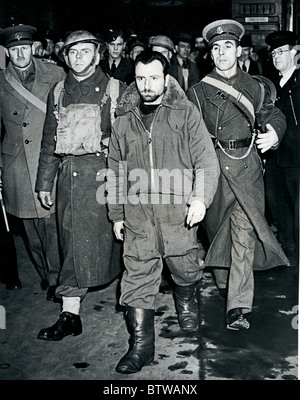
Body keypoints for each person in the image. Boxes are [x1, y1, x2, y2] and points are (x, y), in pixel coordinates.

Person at [107, 49, 220, 374]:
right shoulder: (124, 119)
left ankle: (185, 299)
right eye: (141, 78)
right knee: (137, 277)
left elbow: (206, 160)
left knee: (184, 266)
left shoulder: (185, 114)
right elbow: (114, 168)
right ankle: (141, 347)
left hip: (178, 212)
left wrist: (199, 198)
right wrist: (116, 213)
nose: (146, 85)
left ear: (166, 78)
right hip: (139, 213)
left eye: (154, 77)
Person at [187, 19, 289, 331]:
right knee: (217, 233)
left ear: (239, 50)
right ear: (210, 54)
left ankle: (237, 307)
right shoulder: (199, 91)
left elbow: (273, 113)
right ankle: (224, 284)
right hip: (214, 171)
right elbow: (191, 135)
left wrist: (274, 133)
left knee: (243, 237)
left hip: (246, 169)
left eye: (227, 46)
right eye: (215, 48)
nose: (221, 52)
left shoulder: (255, 86)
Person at [35, 30, 126, 341]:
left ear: (97, 56)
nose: (78, 58)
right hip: (68, 180)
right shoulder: (58, 91)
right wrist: (45, 182)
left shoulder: (116, 89)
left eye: (85, 52)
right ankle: (70, 314)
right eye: (73, 52)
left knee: (118, 241)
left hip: (103, 179)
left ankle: (131, 299)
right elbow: (49, 140)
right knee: (71, 247)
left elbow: (131, 140)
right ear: (65, 56)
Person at [0, 24, 66, 299]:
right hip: (17, 164)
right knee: (31, 229)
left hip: (48, 158)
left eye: (24, 48)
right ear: (7, 52)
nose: (20, 54)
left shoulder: (55, 73)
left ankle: (56, 279)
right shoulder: (1, 81)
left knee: (52, 225)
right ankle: (44, 274)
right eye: (14, 50)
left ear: (33, 48)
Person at [263, 30, 299, 266]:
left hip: (296, 157)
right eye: (273, 52)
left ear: (295, 53)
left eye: (281, 51)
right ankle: (287, 247)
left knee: (297, 206)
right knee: (276, 202)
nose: (276, 56)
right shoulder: (270, 85)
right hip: (274, 156)